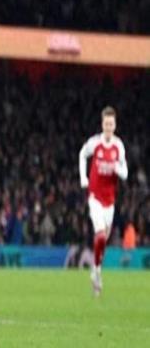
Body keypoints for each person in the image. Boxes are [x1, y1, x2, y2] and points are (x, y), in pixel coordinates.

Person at [79, 106, 128, 296]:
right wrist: (83, 178)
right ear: (102, 124)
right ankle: (97, 271)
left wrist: (117, 168)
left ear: (115, 125)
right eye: (106, 124)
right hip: (95, 198)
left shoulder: (118, 146)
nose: (108, 127)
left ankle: (96, 269)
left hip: (110, 201)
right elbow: (82, 155)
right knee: (100, 235)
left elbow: (125, 173)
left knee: (103, 240)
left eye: (111, 124)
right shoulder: (95, 143)